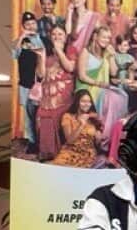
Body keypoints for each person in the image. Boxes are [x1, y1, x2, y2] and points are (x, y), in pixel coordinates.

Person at [36, 25, 76, 162]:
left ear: (65, 37)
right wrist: (41, 57)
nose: (57, 37)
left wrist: (59, 50)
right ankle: (47, 154)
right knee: (43, 117)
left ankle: (62, 156)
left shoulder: (71, 51)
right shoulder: (47, 54)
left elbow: (70, 67)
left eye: (60, 34)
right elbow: (40, 75)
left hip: (63, 95)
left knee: (59, 119)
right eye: (54, 34)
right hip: (47, 95)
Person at [14, 12, 44, 149]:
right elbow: (15, 54)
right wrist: (22, 37)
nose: (31, 26)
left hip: (41, 83)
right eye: (27, 24)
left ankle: (42, 139)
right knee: (28, 114)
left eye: (33, 23)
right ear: (23, 26)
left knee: (40, 112)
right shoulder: (20, 41)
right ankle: (32, 142)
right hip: (25, 83)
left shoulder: (42, 39)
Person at [52, 90, 104, 168]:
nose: (87, 104)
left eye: (89, 102)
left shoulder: (93, 118)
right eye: (83, 101)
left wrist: (98, 139)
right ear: (77, 102)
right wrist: (81, 125)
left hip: (88, 155)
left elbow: (98, 145)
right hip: (70, 151)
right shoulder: (68, 117)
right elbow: (69, 140)